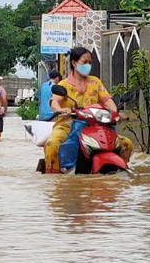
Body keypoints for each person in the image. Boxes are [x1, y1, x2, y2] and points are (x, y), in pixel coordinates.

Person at [44, 46, 133, 174]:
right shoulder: (64, 84)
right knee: (52, 145)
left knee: (127, 144)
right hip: (67, 126)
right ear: (74, 63)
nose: (88, 65)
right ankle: (55, 178)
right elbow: (54, 102)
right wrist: (61, 110)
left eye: (90, 62)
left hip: (95, 126)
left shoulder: (95, 82)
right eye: (84, 62)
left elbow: (107, 100)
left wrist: (116, 113)